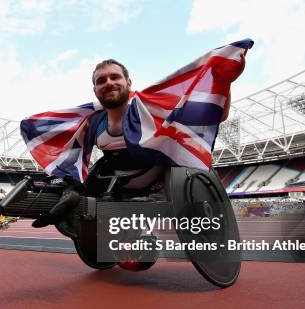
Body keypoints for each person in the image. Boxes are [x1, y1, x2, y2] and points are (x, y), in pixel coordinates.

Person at [21, 40, 253, 270]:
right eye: (101, 81)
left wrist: (224, 80)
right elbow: (66, 148)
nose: (109, 83)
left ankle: (140, 232)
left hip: (160, 183)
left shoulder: (150, 106)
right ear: (95, 90)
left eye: (114, 77)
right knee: (70, 196)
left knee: (138, 260)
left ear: (128, 82)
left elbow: (214, 115)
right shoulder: (93, 121)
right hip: (115, 185)